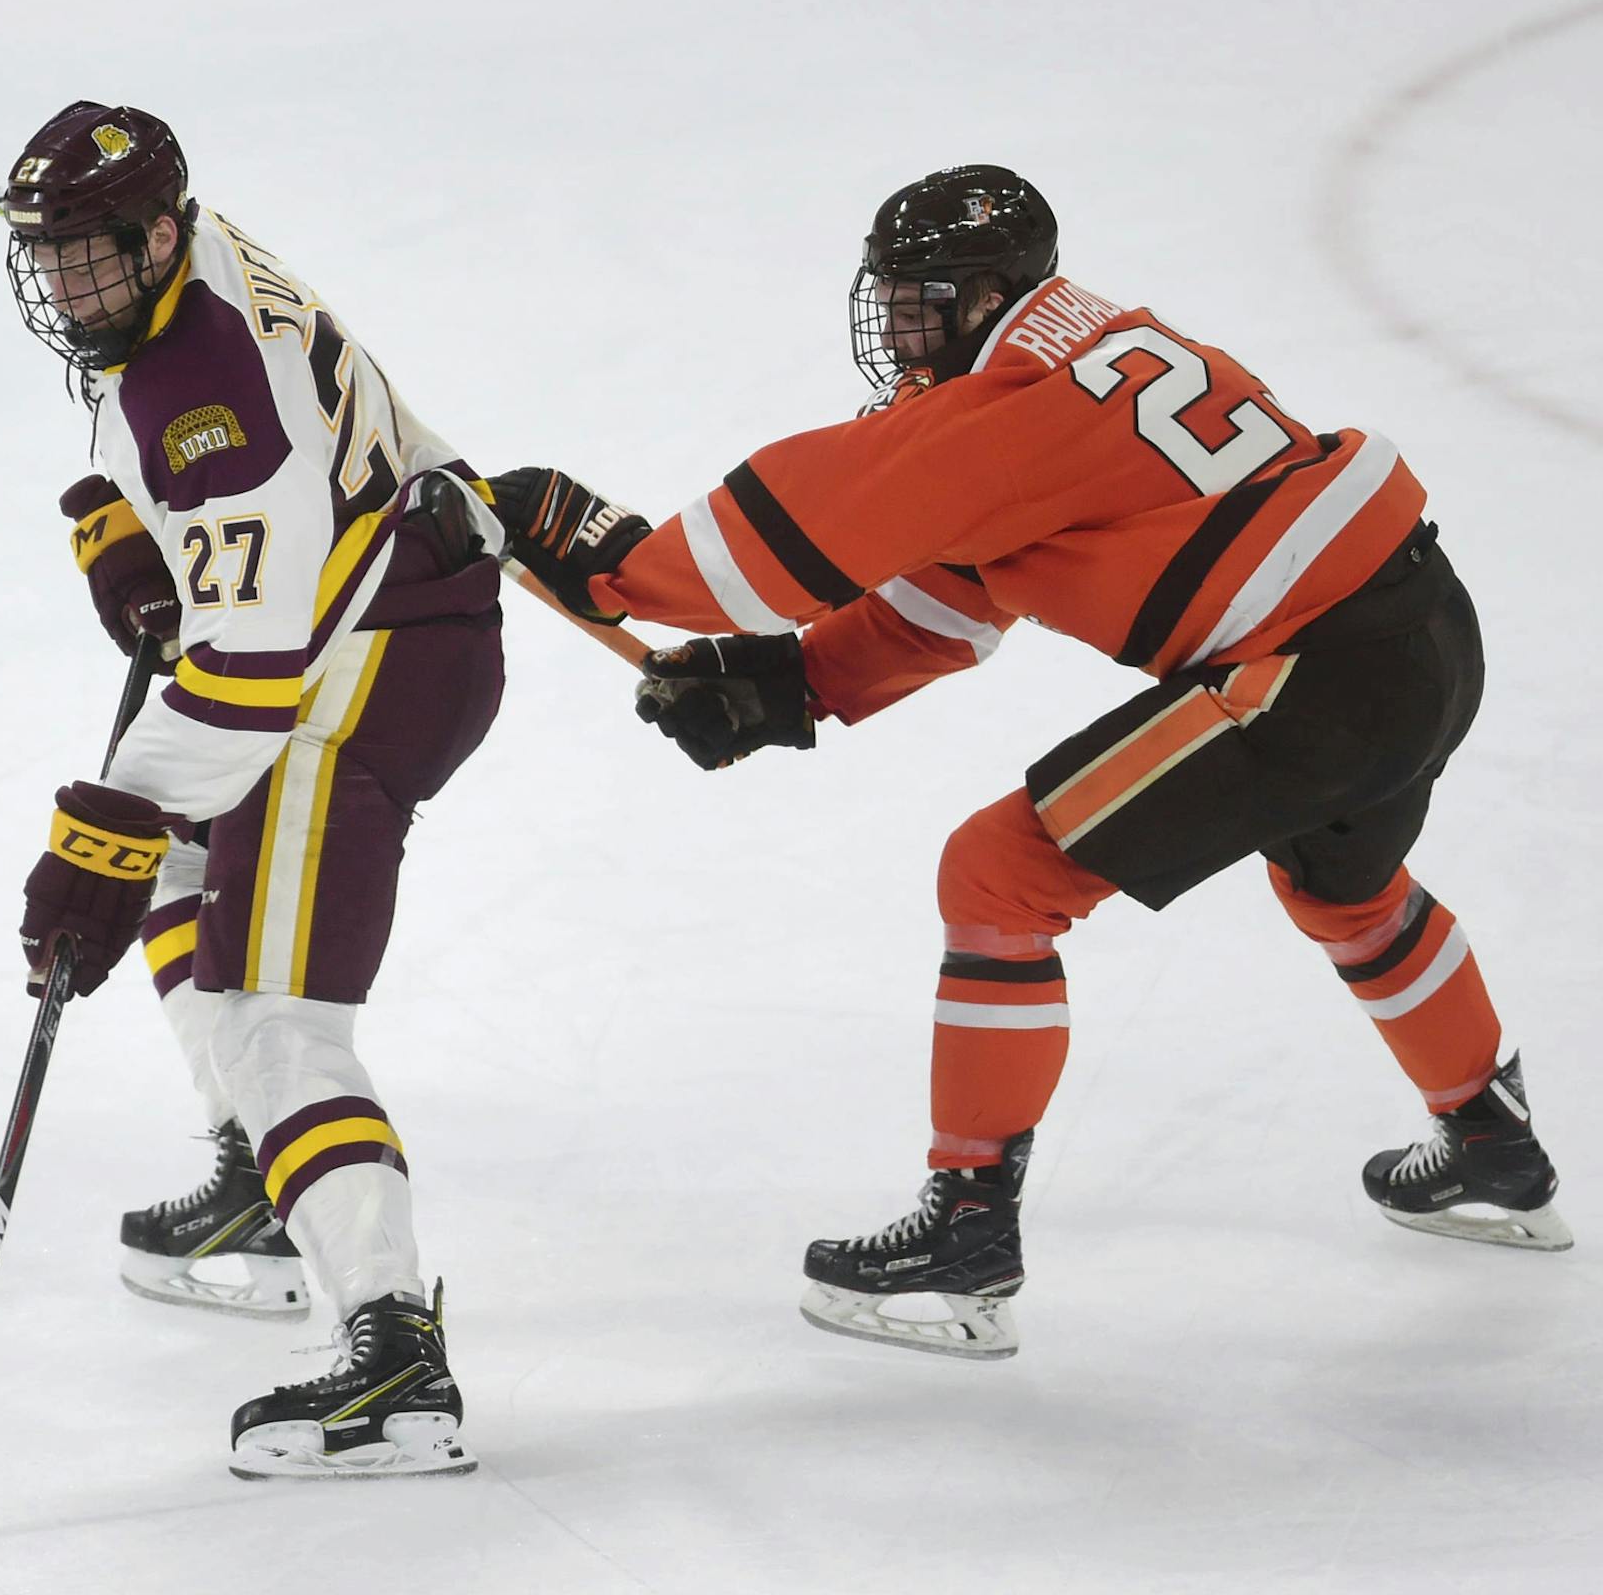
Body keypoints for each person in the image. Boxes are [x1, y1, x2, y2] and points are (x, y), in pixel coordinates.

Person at [486, 164, 1571, 1362]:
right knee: (1342, 888)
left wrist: (608, 561)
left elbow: (778, 542)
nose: (897, 327)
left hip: (1309, 674)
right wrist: (799, 684)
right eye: (889, 298)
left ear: (991, 287)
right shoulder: (1085, 349)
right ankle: (1489, 1141)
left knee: (1000, 875)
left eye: (921, 300)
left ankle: (965, 1233)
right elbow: (960, 589)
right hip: (1415, 627)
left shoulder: (1006, 403)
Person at [3, 100, 505, 1471]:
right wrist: (141, 528)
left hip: (364, 673)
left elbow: (243, 688)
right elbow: (206, 497)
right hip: (377, 587)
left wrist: (95, 841)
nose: (67, 287)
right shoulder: (197, 257)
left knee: (274, 1017)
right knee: (183, 882)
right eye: (48, 259)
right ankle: (264, 1183)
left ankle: (395, 1362)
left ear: (161, 234)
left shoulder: (210, 407)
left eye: (94, 259)